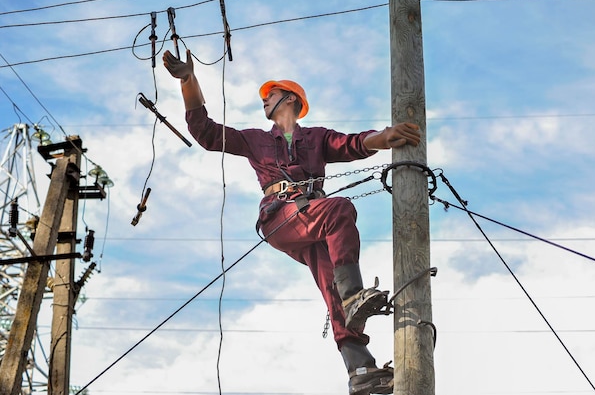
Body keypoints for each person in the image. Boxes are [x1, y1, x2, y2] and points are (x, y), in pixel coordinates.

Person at [163, 49, 421, 395]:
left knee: (334, 293)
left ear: (289, 99)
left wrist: (385, 137)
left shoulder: (316, 138)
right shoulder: (256, 140)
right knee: (338, 210)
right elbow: (206, 132)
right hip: (280, 218)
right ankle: (354, 294)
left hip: (312, 222)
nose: (264, 100)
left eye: (269, 95)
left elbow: (354, 144)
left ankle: (360, 370)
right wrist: (187, 80)